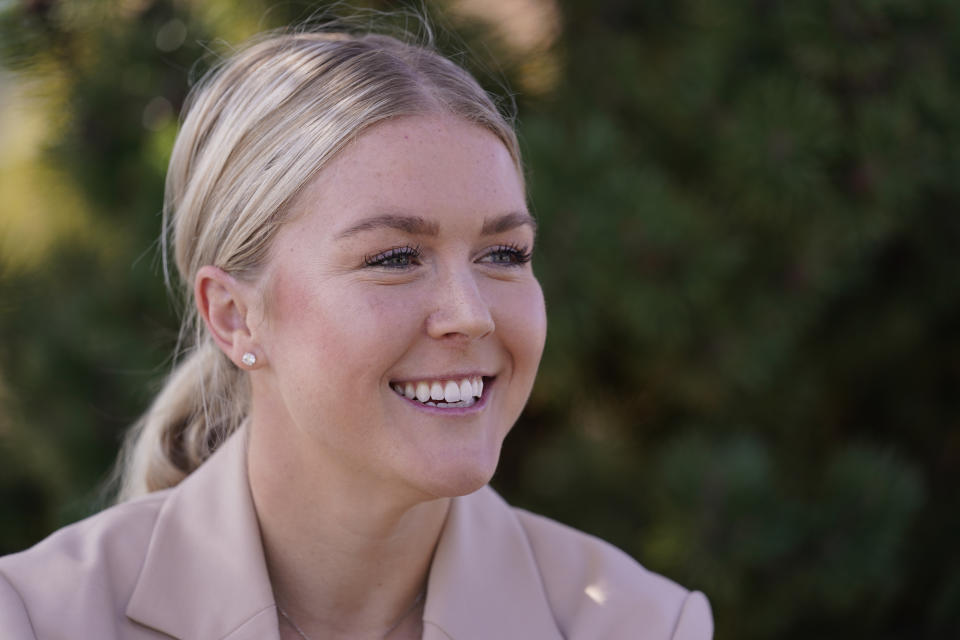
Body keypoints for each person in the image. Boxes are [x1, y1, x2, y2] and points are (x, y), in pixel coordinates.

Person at [0, 26, 712, 640]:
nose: (471, 313)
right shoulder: (37, 619)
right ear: (233, 314)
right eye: (395, 258)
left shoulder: (642, 624)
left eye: (504, 255)